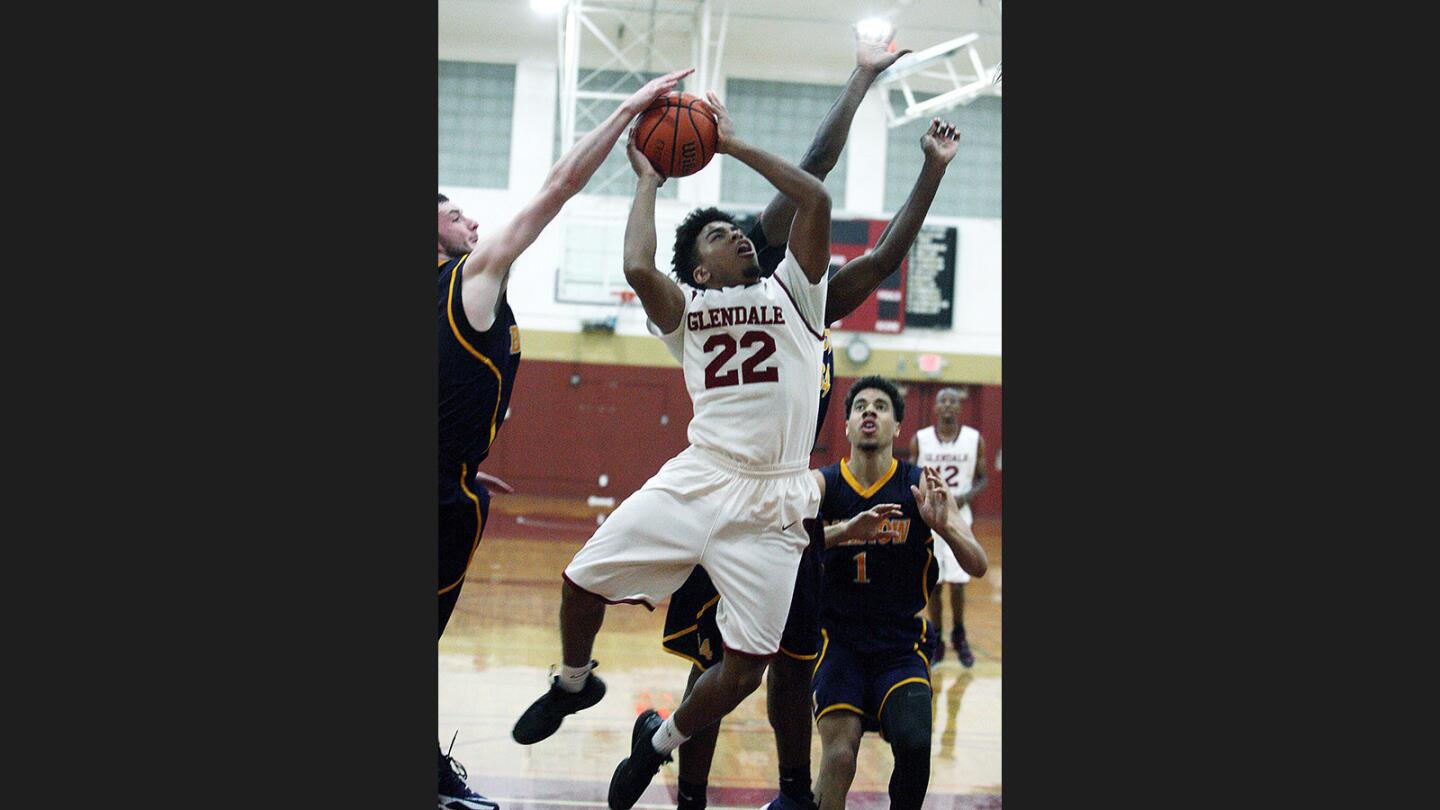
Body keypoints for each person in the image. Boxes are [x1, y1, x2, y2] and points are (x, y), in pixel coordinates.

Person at [510, 87, 834, 810]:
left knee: (749, 665)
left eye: (739, 231)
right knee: (579, 582)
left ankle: (656, 745)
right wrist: (648, 184)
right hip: (700, 476)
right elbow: (636, 266)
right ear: (701, 270)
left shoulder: (797, 293)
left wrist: (732, 143)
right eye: (720, 235)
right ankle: (573, 682)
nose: (739, 236)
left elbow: (814, 197)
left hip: (776, 496)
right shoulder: (687, 310)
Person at [660, 40, 962, 809]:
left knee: (789, 659)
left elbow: (889, 253)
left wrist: (931, 168)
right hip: (720, 485)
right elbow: (816, 163)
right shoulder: (753, 257)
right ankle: (690, 793)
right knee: (711, 658)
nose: (742, 235)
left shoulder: (810, 300)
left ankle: (794, 792)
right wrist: (862, 76)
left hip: (781, 498)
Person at [437, 67, 693, 810]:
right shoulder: (468, 280)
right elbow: (556, 188)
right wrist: (625, 111)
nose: (475, 227)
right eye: (456, 217)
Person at [811, 376, 987, 810]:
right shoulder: (822, 485)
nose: (870, 411)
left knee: (913, 746)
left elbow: (977, 563)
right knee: (839, 756)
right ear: (848, 426)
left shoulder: (919, 486)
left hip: (901, 644)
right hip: (838, 642)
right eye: (861, 407)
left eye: (882, 407)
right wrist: (843, 531)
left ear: (897, 428)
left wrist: (943, 524)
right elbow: (785, 543)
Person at [909, 386, 989, 667]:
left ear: (958, 407)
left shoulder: (974, 439)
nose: (946, 405)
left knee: (958, 582)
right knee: (935, 582)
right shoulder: (920, 439)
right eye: (942, 400)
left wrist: (964, 496)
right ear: (936, 407)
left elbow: (982, 478)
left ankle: (959, 634)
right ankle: (938, 637)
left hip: (959, 515)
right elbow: (910, 474)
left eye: (952, 401)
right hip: (930, 516)